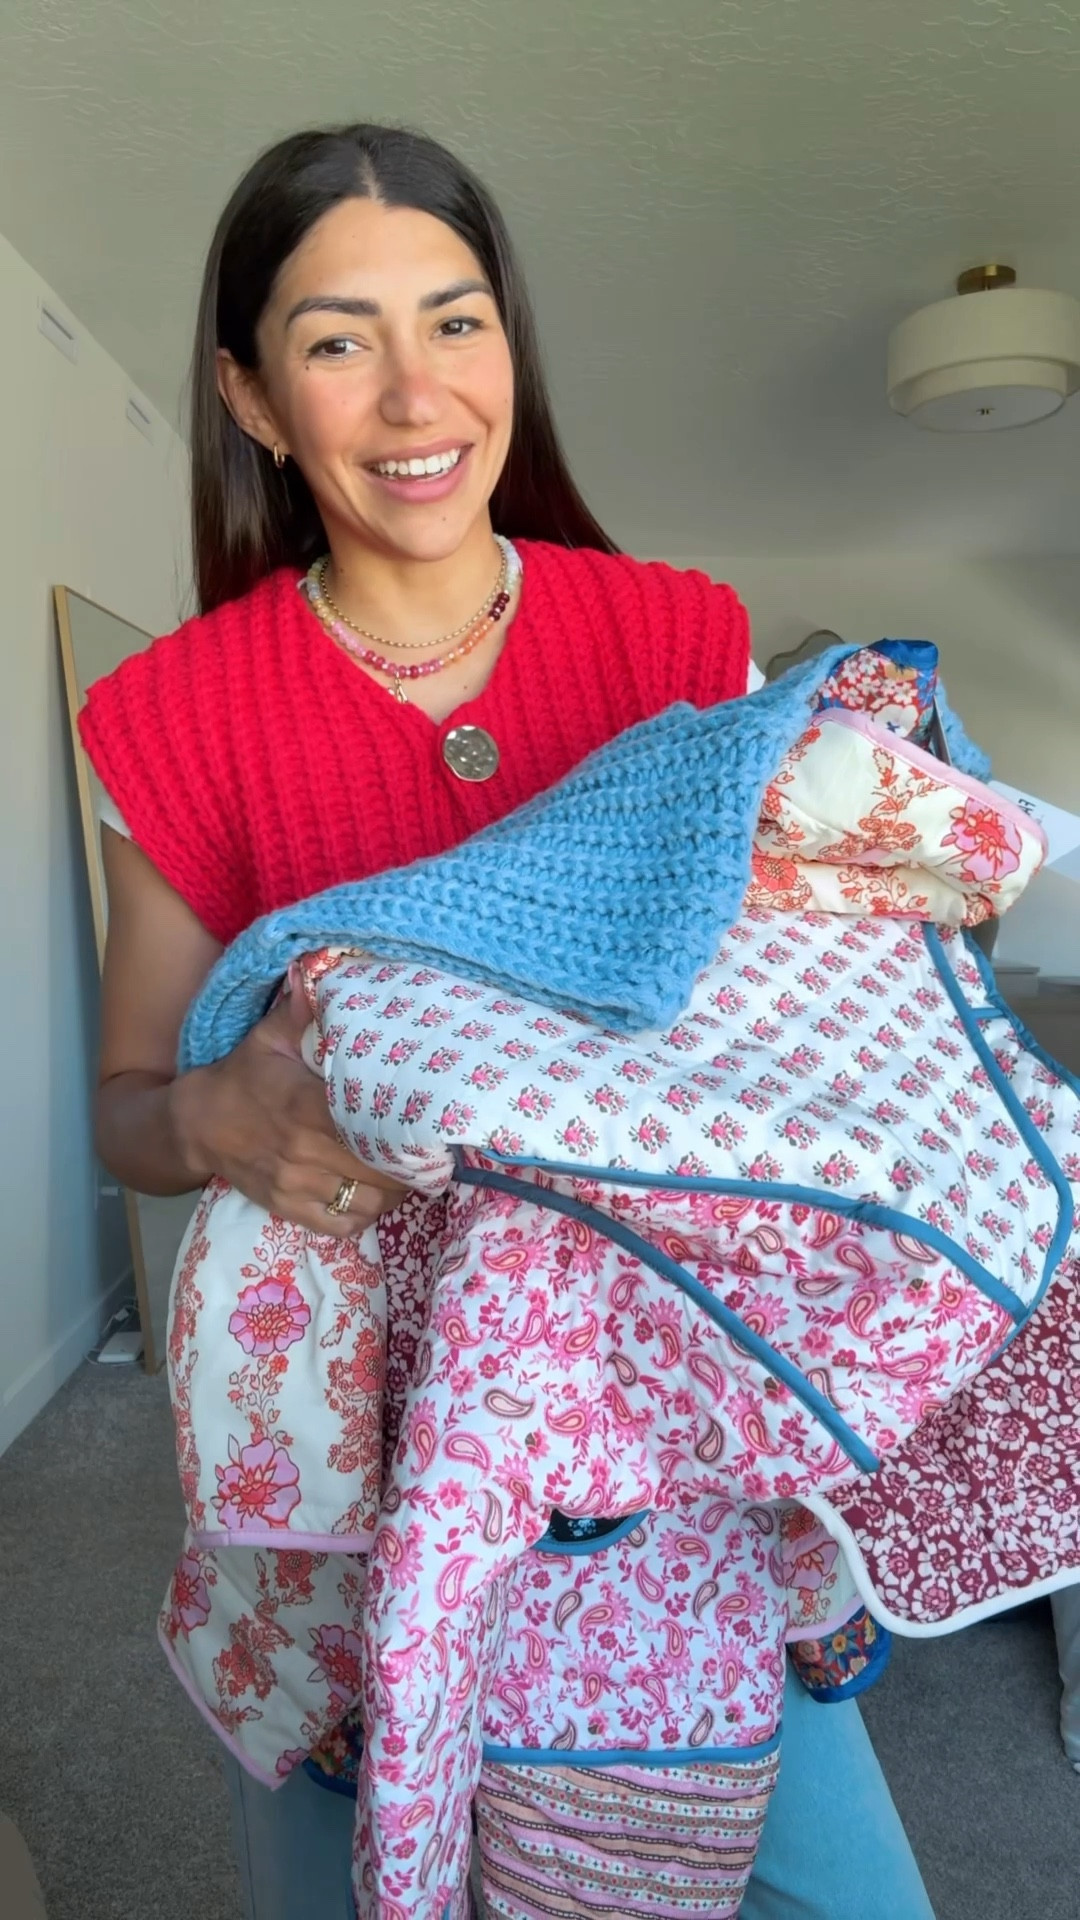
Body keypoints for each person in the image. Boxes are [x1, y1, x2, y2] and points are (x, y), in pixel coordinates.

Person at [81, 123, 935, 1919]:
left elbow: (781, 1005)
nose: (418, 396)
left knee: (840, 1886)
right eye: (339, 340)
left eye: (456, 321)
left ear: (511, 346)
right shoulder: (178, 714)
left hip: (669, 1408)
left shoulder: (677, 642)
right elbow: (130, 1107)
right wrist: (220, 1119)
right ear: (252, 397)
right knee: (358, 1874)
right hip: (362, 1436)